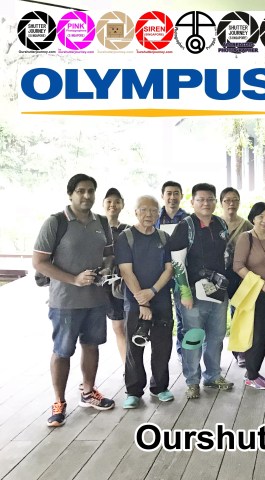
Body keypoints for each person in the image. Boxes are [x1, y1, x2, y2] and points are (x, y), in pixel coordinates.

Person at [33, 173, 115, 427]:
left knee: (92, 346)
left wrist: (105, 269)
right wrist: (74, 279)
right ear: (70, 194)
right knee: (63, 351)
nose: (87, 196)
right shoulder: (56, 222)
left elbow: (109, 255)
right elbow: (39, 262)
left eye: (91, 191)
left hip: (95, 299)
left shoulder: (102, 222)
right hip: (65, 301)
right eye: (81, 191)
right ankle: (59, 402)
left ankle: (88, 393)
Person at [168, 183, 233, 399]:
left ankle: (213, 376)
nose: (206, 203)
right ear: (192, 202)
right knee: (193, 337)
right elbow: (177, 262)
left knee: (216, 336)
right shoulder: (185, 227)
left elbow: (226, 256)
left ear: (215, 202)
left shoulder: (220, 223)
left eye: (210, 199)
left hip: (218, 291)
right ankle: (192, 381)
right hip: (192, 293)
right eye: (201, 199)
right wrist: (185, 292)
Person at [116, 195, 174, 408]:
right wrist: (143, 302)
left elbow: (169, 269)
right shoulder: (126, 237)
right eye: (144, 210)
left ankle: (160, 387)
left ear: (159, 213)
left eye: (153, 210)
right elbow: (126, 271)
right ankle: (133, 391)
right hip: (135, 302)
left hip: (161, 300)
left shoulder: (163, 237)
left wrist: (153, 291)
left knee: (162, 346)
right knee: (134, 347)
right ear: (136, 212)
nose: (149, 214)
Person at [234, 202, 265, 389]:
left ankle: (253, 372)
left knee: (264, 334)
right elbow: (238, 266)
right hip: (252, 293)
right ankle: (251, 375)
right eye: (261, 216)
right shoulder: (246, 238)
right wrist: (261, 284)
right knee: (254, 334)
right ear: (253, 218)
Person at [219, 187, 253, 368]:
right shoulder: (214, 223)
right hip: (217, 275)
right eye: (227, 200)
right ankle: (214, 357)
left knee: (239, 314)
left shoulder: (247, 226)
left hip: (239, 275)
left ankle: (240, 352)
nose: (231, 203)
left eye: (235, 200)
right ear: (221, 203)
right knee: (217, 316)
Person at [155, 181, 189, 359]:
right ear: (163, 196)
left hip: (180, 272)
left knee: (183, 314)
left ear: (181, 196)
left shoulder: (188, 219)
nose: (172, 197)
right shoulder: (155, 218)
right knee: (162, 315)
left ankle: (183, 352)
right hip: (158, 273)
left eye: (176, 193)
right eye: (169, 193)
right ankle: (161, 354)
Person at [102, 187, 129, 366]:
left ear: (122, 205)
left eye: (117, 202)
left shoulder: (128, 230)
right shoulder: (95, 228)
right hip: (96, 285)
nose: (113, 205)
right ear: (103, 204)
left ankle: (128, 368)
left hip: (119, 285)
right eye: (109, 202)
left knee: (120, 327)